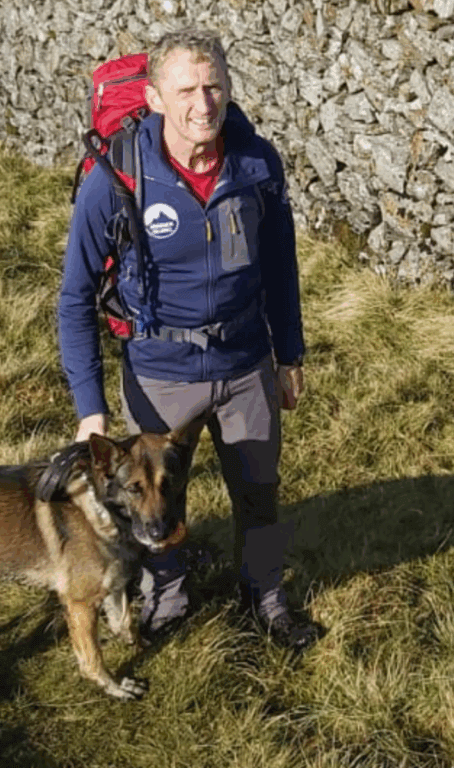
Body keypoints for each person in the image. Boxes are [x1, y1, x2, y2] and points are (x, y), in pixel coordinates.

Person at [57, 27, 319, 650]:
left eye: (214, 87)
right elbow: (73, 299)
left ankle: (266, 595)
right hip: (159, 371)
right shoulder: (115, 179)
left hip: (246, 361)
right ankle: (168, 593)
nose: (204, 104)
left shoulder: (257, 164)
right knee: (156, 498)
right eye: (186, 90)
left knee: (258, 488)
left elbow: (281, 265)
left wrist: (289, 352)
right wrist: (90, 409)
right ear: (152, 98)